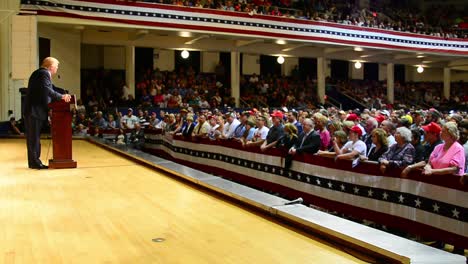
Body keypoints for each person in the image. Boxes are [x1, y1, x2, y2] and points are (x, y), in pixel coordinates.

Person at [24, 57, 71, 169]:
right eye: (56, 66)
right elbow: (47, 90)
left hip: (35, 111)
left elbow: (51, 88)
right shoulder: (43, 73)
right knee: (34, 139)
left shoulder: (41, 74)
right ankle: (35, 163)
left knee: (34, 138)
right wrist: (61, 97)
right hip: (34, 111)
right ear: (51, 66)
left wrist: (64, 93)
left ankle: (34, 162)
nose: (57, 69)